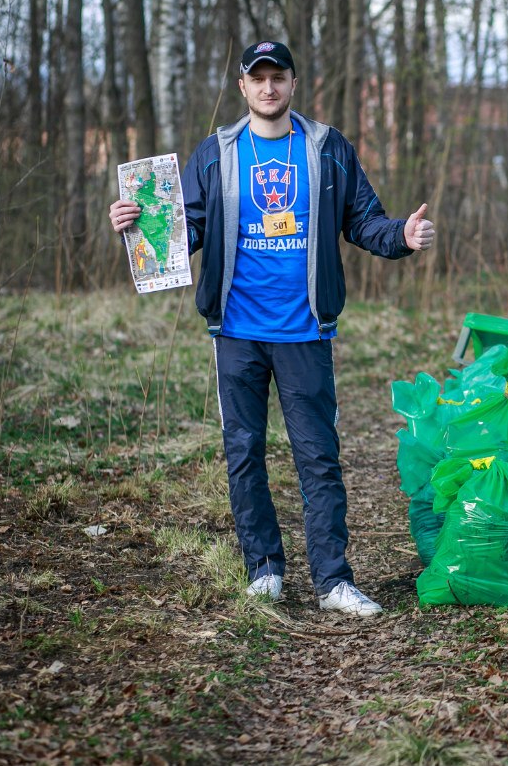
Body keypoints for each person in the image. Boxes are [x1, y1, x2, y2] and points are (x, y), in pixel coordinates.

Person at [109, 41, 435, 616]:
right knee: (244, 453)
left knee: (319, 457)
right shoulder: (216, 153)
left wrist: (402, 238)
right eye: (257, 78)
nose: (268, 87)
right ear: (243, 86)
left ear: (292, 83)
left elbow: (364, 221)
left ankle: (333, 582)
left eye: (277, 77)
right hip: (236, 331)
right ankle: (264, 570)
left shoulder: (328, 148)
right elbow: (186, 232)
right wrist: (137, 226)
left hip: (305, 331)